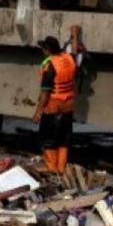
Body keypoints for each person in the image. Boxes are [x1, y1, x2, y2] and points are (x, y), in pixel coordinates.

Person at [32, 27, 82, 172]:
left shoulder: (50, 66)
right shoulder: (68, 59)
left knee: (48, 138)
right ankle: (60, 167)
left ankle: (51, 166)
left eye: (43, 48)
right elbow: (75, 51)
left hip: (53, 106)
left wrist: (37, 112)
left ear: (48, 50)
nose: (42, 51)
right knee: (64, 137)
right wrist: (75, 35)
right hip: (68, 105)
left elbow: (45, 93)